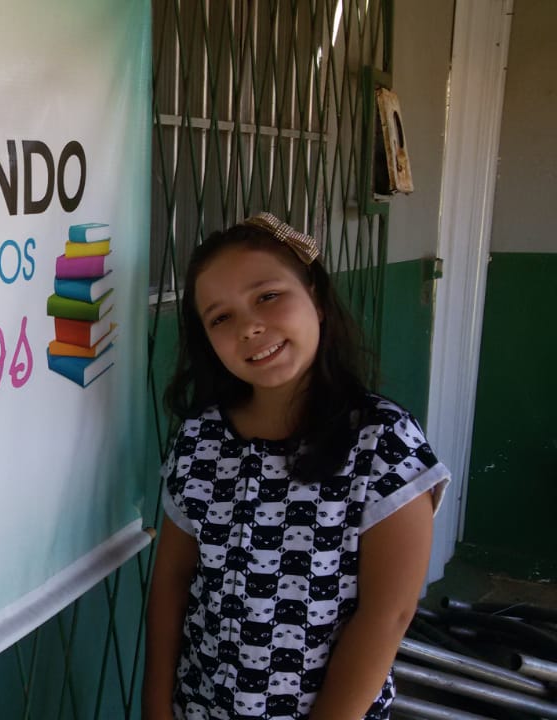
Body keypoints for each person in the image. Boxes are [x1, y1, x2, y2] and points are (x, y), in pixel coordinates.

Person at [143, 213, 450, 719]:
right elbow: (172, 581)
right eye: (220, 318)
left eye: (267, 296)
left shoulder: (383, 442)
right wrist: (156, 708)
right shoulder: (200, 440)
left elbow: (387, 615)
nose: (249, 326)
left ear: (317, 299)